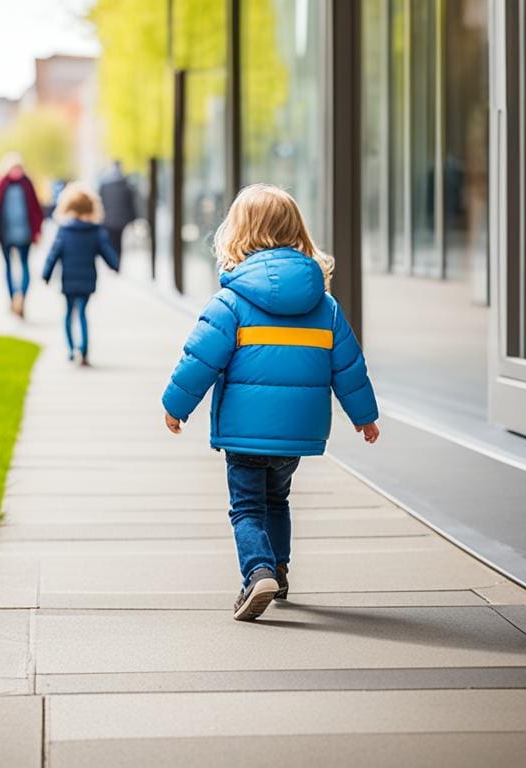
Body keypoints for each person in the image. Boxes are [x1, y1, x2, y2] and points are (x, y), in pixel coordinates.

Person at [161, 184, 380, 622]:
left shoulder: (231, 301)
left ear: (237, 234)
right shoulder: (326, 305)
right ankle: (278, 568)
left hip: (244, 432)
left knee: (246, 506)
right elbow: (349, 367)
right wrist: (365, 417)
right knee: (277, 500)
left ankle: (257, 571)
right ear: (296, 230)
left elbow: (199, 360)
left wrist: (175, 405)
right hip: (296, 434)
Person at [41, 183, 119, 366]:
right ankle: (83, 351)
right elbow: (106, 251)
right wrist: (114, 265)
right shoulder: (95, 232)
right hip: (87, 279)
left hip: (68, 280)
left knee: (68, 314)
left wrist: (46, 274)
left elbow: (54, 254)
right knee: (82, 313)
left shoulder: (64, 231)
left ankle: (70, 349)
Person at [0, 152, 44, 318]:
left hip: (11, 232)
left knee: (12, 265)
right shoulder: (25, 183)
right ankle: (18, 297)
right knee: (21, 265)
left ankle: (16, 297)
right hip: (14, 232)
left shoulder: (0, 183)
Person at [98, 160, 137, 266]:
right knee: (118, 242)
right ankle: (116, 263)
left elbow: (100, 202)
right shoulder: (126, 184)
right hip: (121, 220)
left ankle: (113, 264)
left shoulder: (104, 185)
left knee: (110, 241)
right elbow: (131, 204)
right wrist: (133, 219)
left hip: (108, 219)